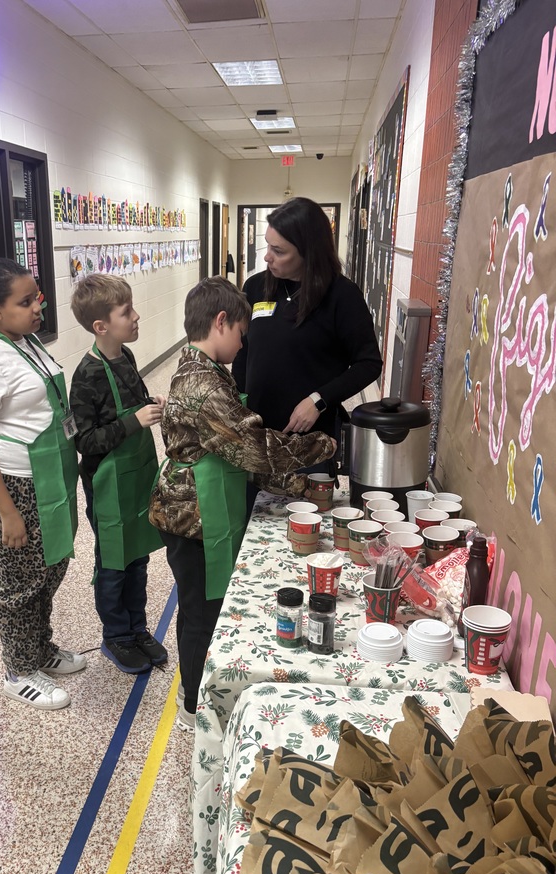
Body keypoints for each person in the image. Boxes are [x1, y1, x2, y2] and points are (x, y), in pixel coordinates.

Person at [149, 277, 336, 732]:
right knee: (200, 612)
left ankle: (196, 687)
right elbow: (251, 448)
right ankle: (193, 700)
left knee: (207, 606)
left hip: (203, 503)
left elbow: (236, 447)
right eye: (241, 331)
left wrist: (291, 484)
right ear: (220, 322)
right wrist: (322, 447)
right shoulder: (205, 386)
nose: (244, 341)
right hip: (192, 517)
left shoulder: (207, 370)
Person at [0, 258, 83, 711]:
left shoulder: (26, 343)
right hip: (14, 484)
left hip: (50, 474)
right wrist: (7, 512)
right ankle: (18, 668)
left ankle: (40, 649)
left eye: (37, 298)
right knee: (20, 579)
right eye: (25, 302)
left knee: (51, 567)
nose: (37, 308)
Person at [233, 196, 382, 465]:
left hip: (309, 440)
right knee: (254, 506)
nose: (267, 256)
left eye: (278, 251)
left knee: (307, 507)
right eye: (268, 245)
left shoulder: (342, 296)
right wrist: (237, 408)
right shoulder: (255, 287)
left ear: (308, 252)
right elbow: (244, 351)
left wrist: (319, 400)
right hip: (257, 436)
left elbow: (369, 363)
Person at [69, 275, 168, 674]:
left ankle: (137, 627)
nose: (137, 315)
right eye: (127, 311)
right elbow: (86, 441)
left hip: (136, 476)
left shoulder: (124, 356)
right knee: (114, 561)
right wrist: (133, 421)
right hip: (107, 484)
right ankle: (116, 636)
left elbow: (130, 402)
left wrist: (149, 402)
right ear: (101, 326)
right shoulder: (86, 376)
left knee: (138, 552)